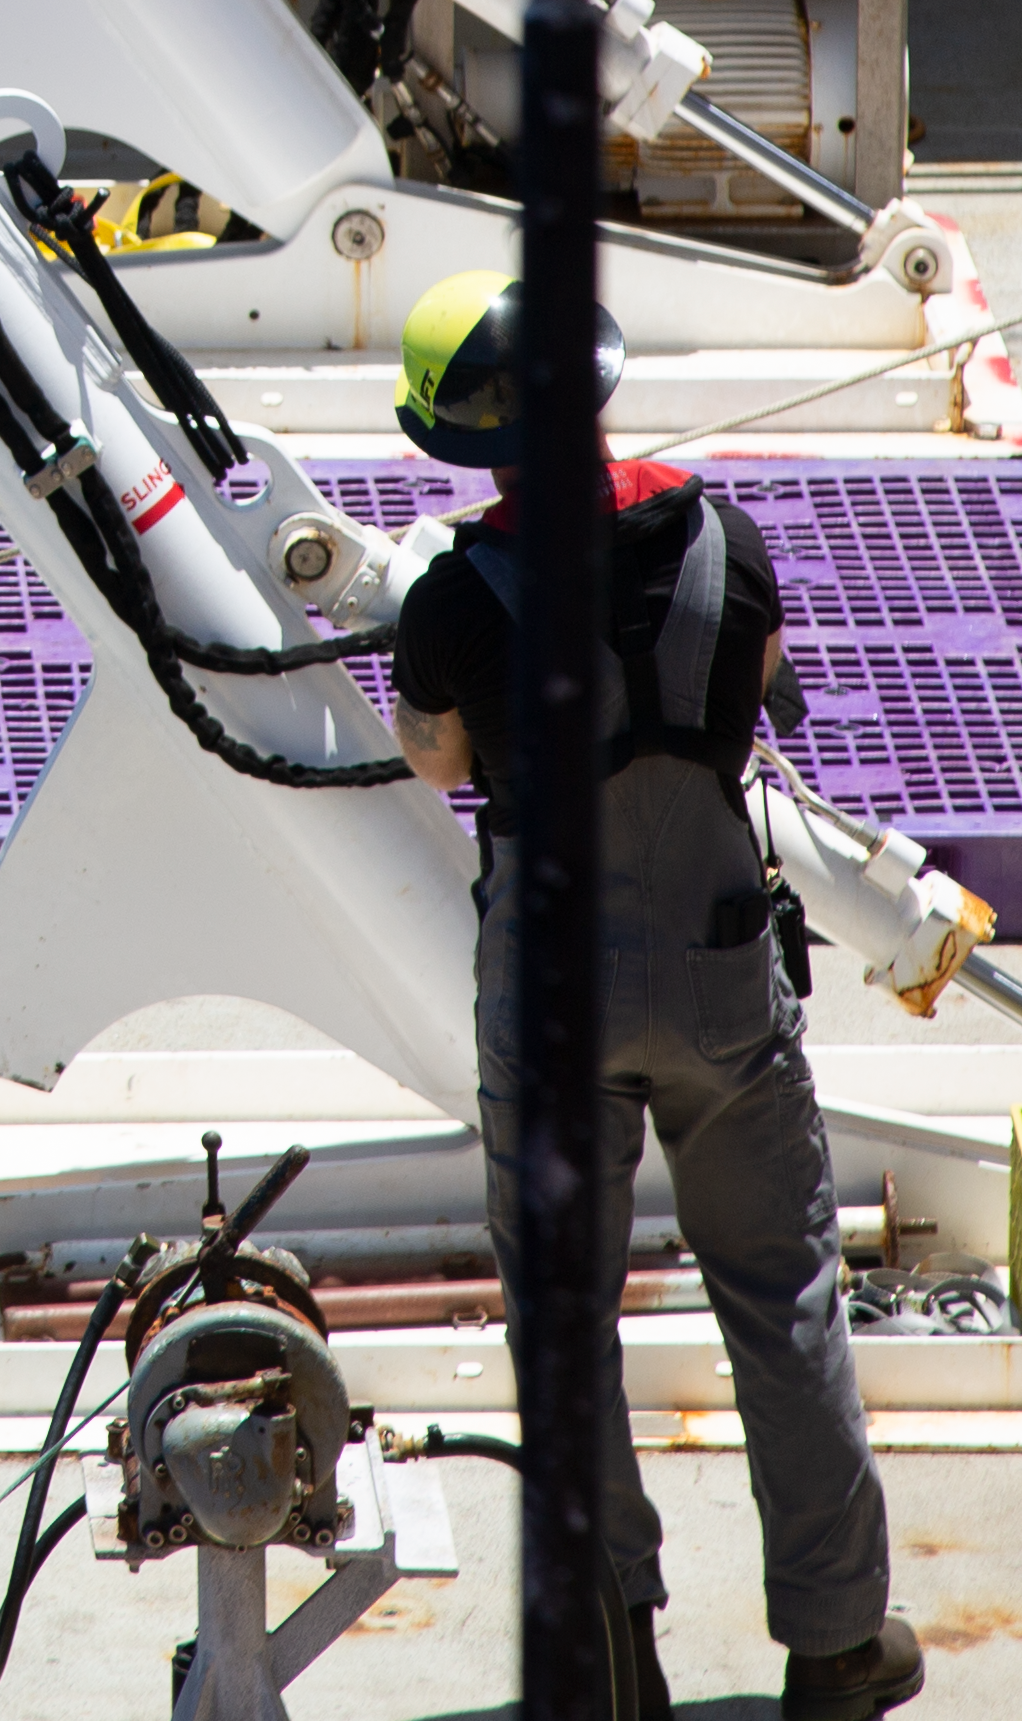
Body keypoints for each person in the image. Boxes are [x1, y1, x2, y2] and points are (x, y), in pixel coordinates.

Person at [382, 275, 924, 1721]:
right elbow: (763, 691)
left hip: (550, 996)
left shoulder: (449, 601)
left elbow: (439, 763)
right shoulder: (724, 543)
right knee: (784, 1294)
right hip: (720, 967)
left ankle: (618, 1655)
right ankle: (838, 1642)